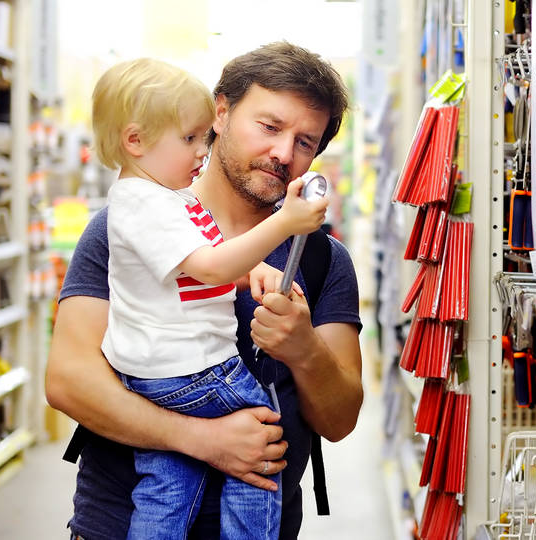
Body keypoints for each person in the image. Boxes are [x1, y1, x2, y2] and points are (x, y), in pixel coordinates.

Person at [46, 42, 362, 540]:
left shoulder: (321, 259)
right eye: (270, 126)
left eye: (305, 142)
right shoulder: (123, 228)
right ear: (221, 111)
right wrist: (203, 439)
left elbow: (341, 419)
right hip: (117, 522)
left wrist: (305, 352)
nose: (283, 153)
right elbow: (68, 381)